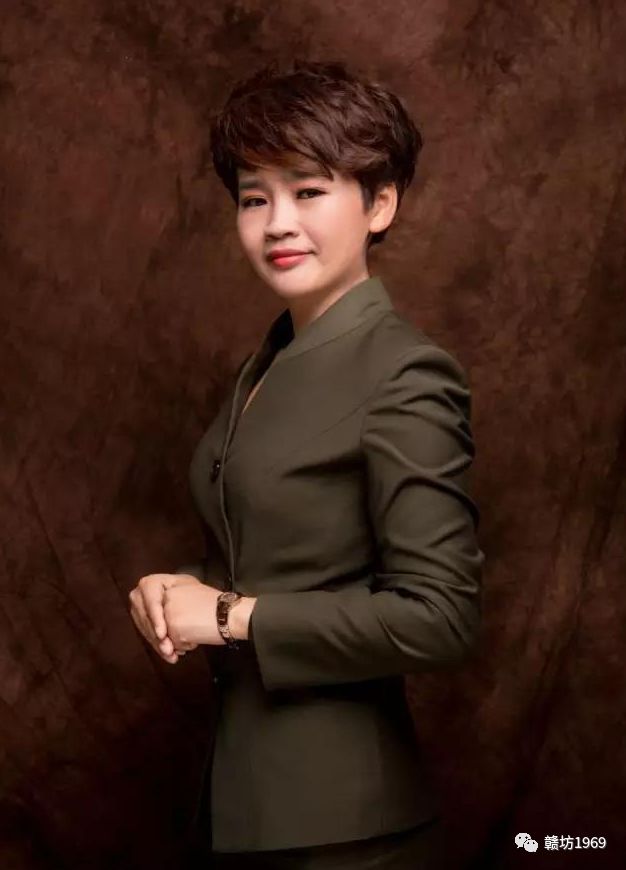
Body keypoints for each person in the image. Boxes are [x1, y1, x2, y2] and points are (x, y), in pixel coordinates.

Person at [129, 58, 485, 868]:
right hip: (245, 804)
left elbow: (441, 616)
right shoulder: (271, 359)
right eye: (255, 198)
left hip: (345, 828)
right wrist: (179, 588)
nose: (277, 223)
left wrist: (228, 616)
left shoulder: (404, 372)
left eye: (310, 190)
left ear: (380, 203)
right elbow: (281, 557)